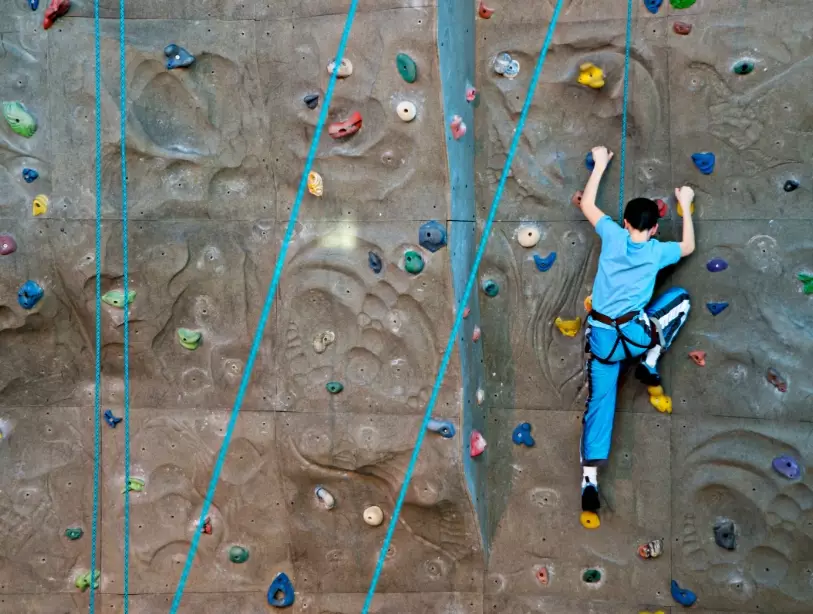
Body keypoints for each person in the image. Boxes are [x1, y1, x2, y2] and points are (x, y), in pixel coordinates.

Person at [575, 145, 695, 515]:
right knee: (680, 300)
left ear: (625, 223)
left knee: (600, 403)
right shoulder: (658, 251)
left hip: (603, 343)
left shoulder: (612, 235)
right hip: (637, 337)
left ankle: (590, 479)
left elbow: (587, 204)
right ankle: (651, 360)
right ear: (655, 228)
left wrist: (600, 163)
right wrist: (685, 203)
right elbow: (689, 246)